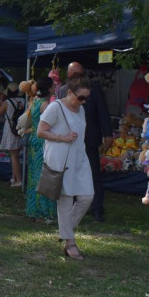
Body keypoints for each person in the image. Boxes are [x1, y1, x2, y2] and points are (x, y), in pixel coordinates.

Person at [39, 75, 94, 259]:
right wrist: (62, 138)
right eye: (80, 97)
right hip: (61, 158)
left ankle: (66, 231)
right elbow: (41, 131)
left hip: (80, 158)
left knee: (87, 196)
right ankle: (70, 242)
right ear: (70, 92)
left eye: (86, 98)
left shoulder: (81, 109)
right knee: (66, 199)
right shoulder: (56, 107)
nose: (83, 101)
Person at [56, 62, 112, 221]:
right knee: (69, 174)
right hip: (69, 140)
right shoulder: (62, 91)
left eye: (79, 74)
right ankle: (73, 208)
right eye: (74, 74)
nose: (77, 77)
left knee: (93, 174)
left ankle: (96, 208)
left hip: (89, 139)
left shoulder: (94, 89)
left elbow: (102, 112)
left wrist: (107, 134)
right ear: (68, 75)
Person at [24, 77, 57, 223]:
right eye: (53, 85)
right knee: (43, 176)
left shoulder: (34, 102)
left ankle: (32, 209)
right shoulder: (45, 104)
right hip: (43, 141)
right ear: (49, 88)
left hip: (34, 140)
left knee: (33, 176)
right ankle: (44, 210)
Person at [0, 82, 26, 187]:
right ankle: (14, 178)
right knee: (16, 155)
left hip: (10, 129)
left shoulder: (7, 102)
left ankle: (18, 180)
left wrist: (0, 102)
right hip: (19, 129)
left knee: (13, 156)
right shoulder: (23, 100)